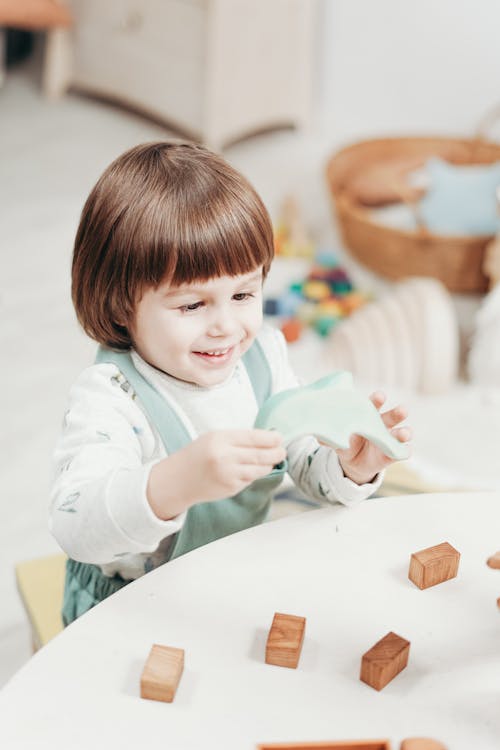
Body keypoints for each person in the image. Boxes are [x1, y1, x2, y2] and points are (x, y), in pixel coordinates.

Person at [50, 141, 411, 625]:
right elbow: (75, 525)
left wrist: (350, 469)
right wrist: (175, 482)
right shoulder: (112, 397)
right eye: (192, 305)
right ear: (119, 305)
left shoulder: (263, 356)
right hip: (126, 610)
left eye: (243, 293)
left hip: (228, 582)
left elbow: (302, 462)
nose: (226, 325)